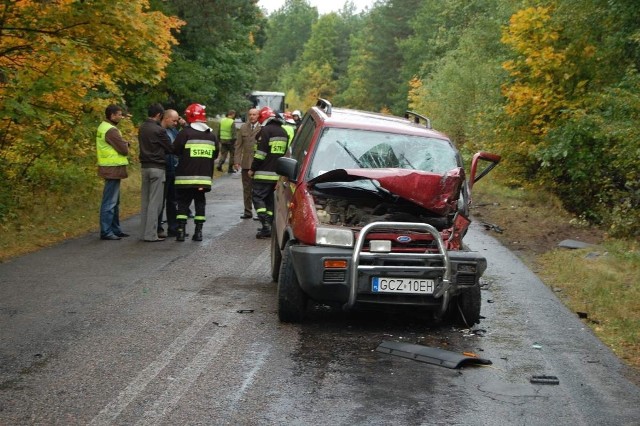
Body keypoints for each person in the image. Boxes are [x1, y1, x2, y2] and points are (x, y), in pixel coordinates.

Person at [173, 103, 219, 242]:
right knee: (200, 203)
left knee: (182, 203)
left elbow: (175, 150)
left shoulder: (185, 133)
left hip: (184, 178)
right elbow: (215, 155)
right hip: (203, 179)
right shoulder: (211, 136)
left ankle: (180, 232)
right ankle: (198, 233)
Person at [249, 106, 288, 239]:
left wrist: (253, 169)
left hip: (263, 173)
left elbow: (260, 154)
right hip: (277, 174)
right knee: (270, 200)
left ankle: (265, 224)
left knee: (258, 197)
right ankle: (270, 225)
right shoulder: (283, 132)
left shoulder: (265, 131)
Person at [138, 103, 173, 242]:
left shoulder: (142, 127)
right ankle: (151, 234)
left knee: (145, 201)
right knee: (155, 202)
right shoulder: (159, 130)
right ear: (158, 115)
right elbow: (170, 148)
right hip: (157, 167)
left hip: (144, 167)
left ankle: (143, 233)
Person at [96, 104, 131, 241]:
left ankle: (115, 229)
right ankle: (106, 231)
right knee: (110, 202)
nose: (121, 117)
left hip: (110, 167)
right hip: (112, 168)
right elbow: (123, 149)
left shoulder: (103, 127)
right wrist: (126, 144)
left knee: (114, 201)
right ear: (112, 115)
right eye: (119, 114)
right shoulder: (111, 130)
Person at [157, 109, 181, 238]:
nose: (176, 123)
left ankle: (173, 227)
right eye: (174, 120)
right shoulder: (158, 132)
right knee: (160, 200)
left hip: (174, 169)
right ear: (166, 118)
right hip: (163, 168)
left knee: (173, 200)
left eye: (177, 120)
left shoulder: (173, 131)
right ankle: (158, 228)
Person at [234, 108, 260, 219]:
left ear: (258, 116)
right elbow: (238, 145)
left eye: (254, 114)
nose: (252, 116)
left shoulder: (262, 128)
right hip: (245, 163)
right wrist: (236, 161)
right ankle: (248, 212)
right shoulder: (243, 127)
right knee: (247, 189)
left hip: (259, 164)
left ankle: (260, 213)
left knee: (258, 189)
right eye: (250, 114)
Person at [217, 109, 237, 173]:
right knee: (232, 155)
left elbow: (218, 131)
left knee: (223, 154)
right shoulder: (232, 121)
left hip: (222, 140)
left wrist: (219, 139)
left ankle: (219, 164)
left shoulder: (222, 120)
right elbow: (233, 133)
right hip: (230, 141)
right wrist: (234, 141)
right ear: (232, 114)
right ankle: (230, 169)